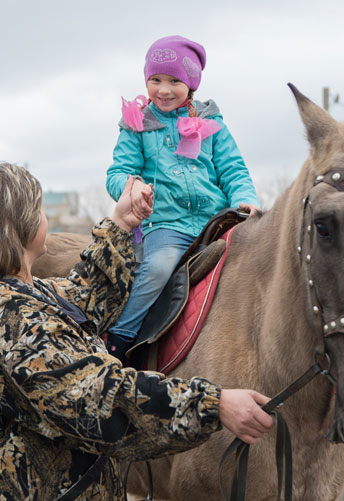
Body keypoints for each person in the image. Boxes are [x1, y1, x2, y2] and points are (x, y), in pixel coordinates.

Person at [0, 163, 272, 501]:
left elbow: (84, 297)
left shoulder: (27, 299)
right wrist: (213, 404)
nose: (43, 218)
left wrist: (121, 222)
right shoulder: (15, 324)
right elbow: (100, 399)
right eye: (38, 211)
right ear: (17, 228)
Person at [105, 35, 260, 358]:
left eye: (174, 80)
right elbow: (118, 172)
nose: (163, 89)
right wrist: (132, 188)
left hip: (216, 222)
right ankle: (121, 335)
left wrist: (245, 198)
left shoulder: (210, 122)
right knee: (159, 267)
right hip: (166, 223)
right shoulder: (138, 126)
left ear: (191, 84)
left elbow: (232, 169)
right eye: (155, 80)